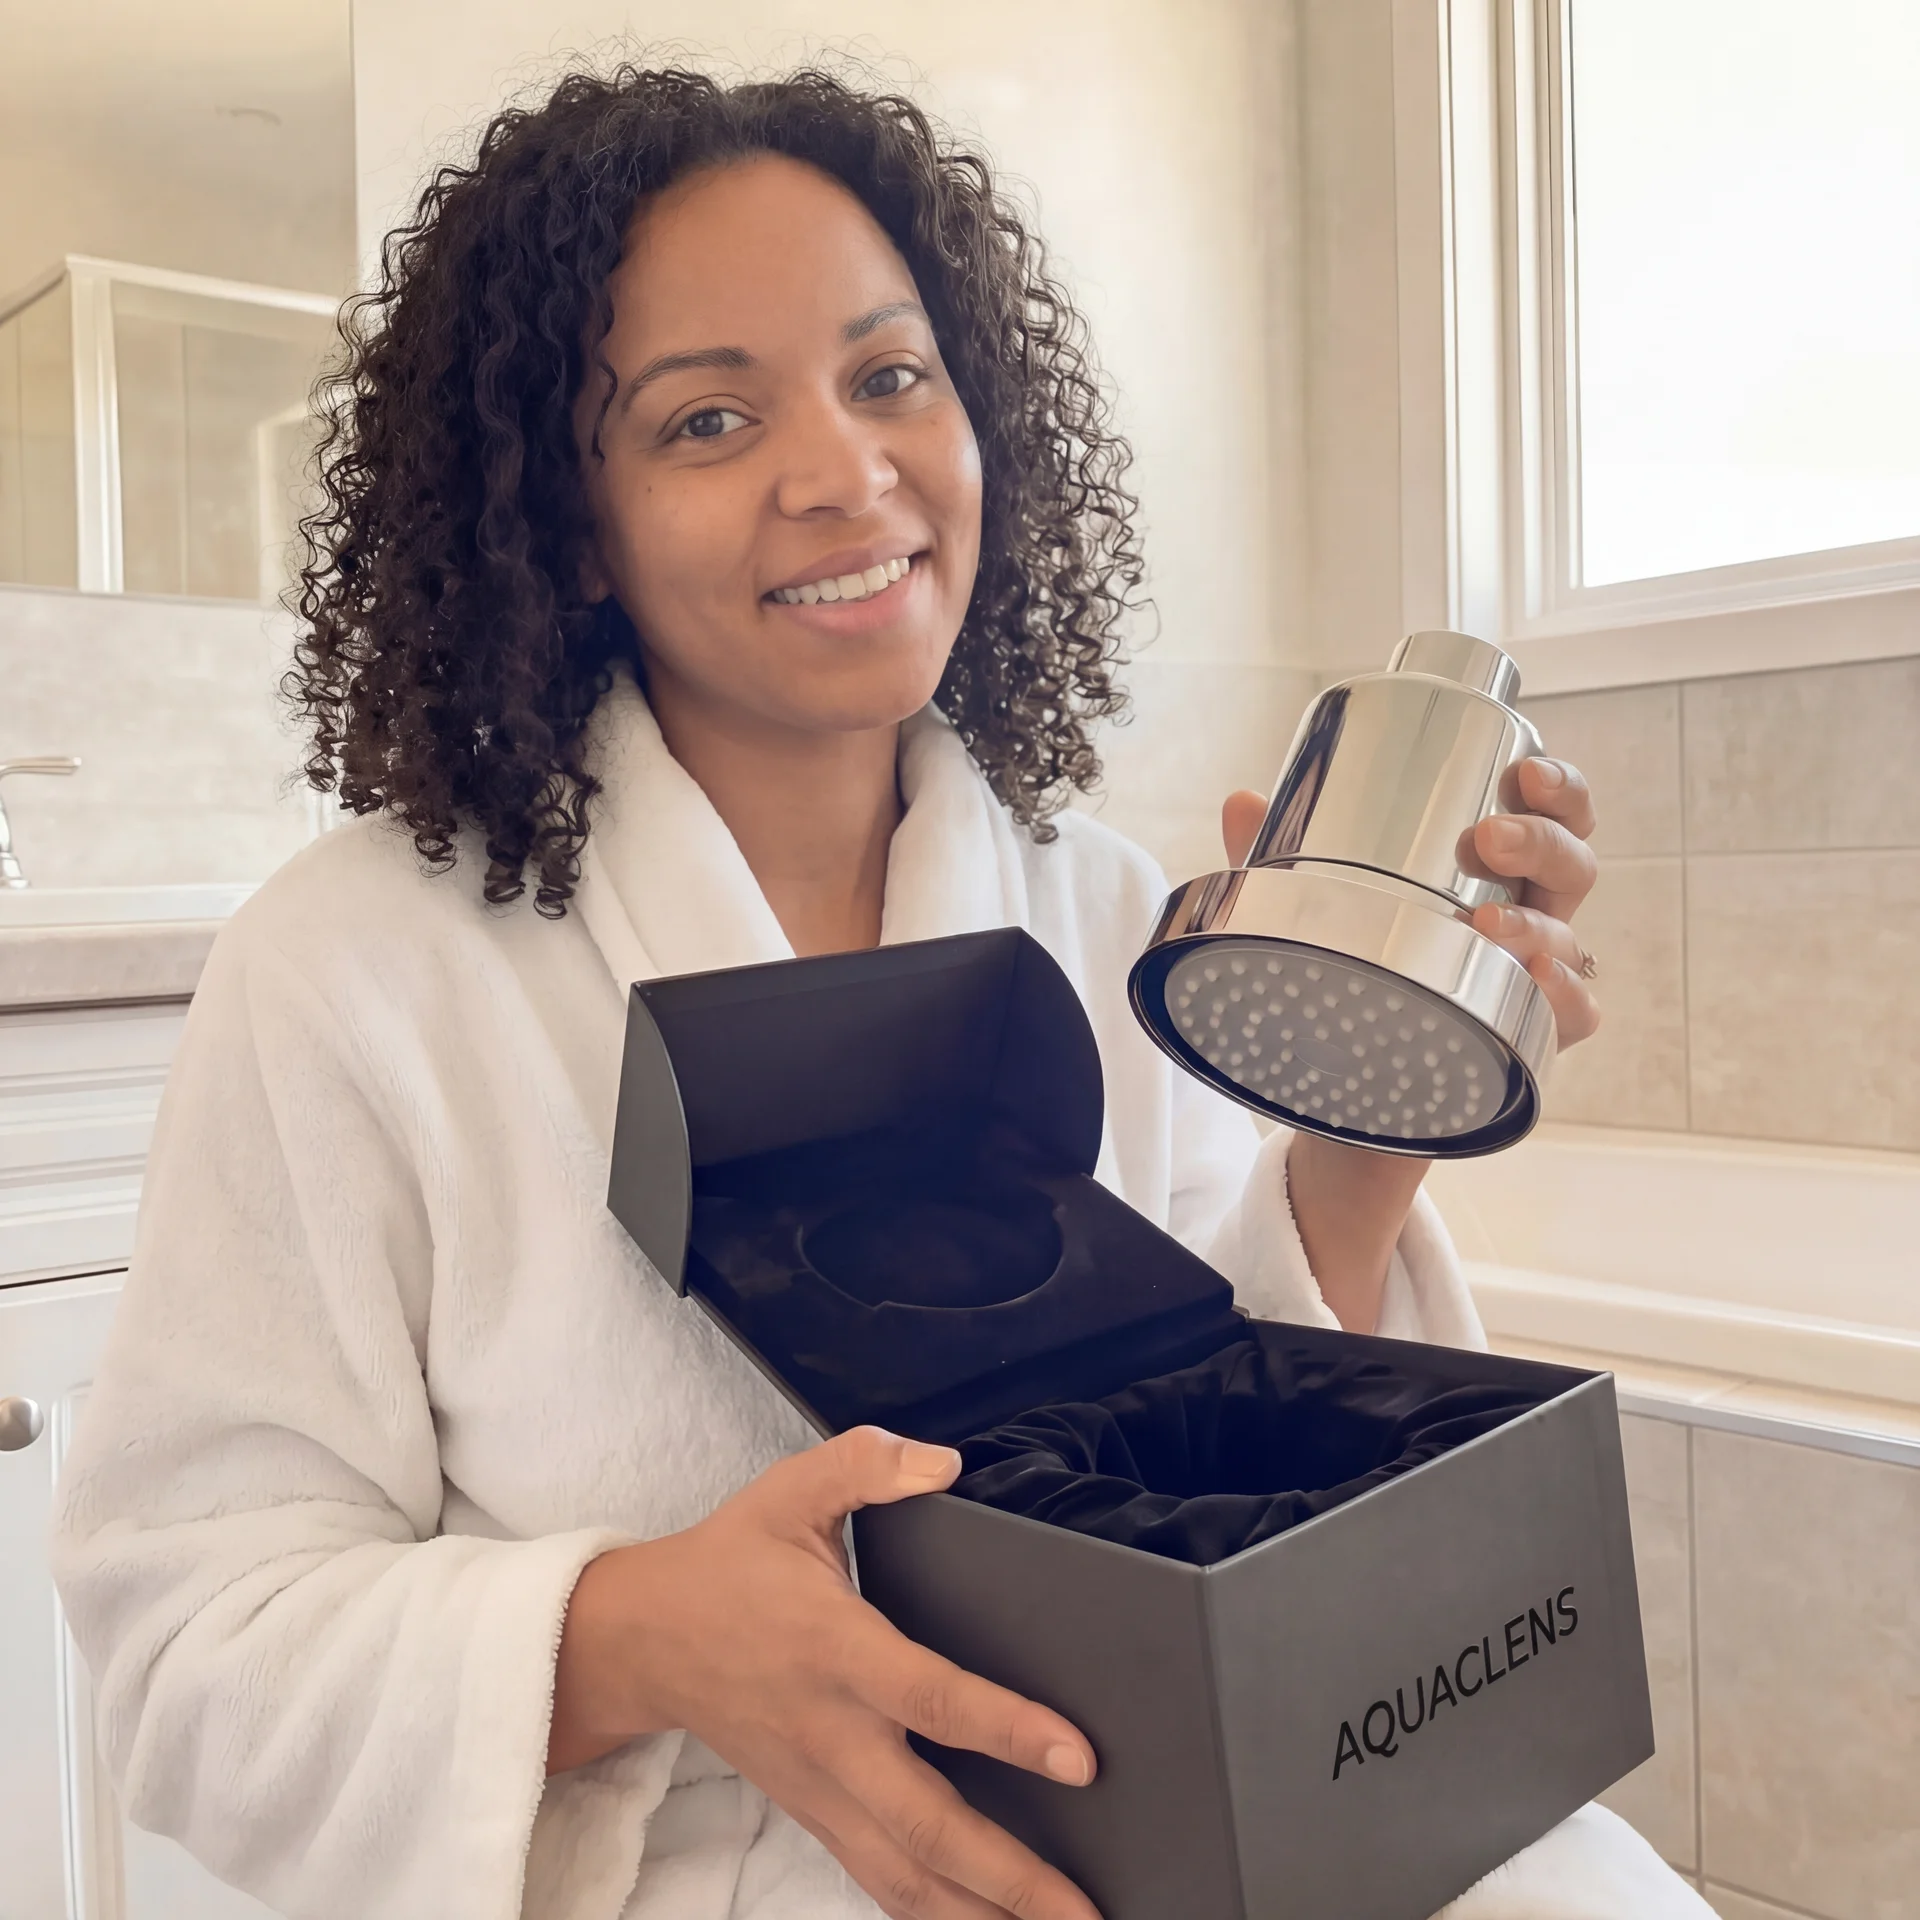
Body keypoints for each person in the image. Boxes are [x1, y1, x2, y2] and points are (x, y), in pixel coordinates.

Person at [52, 66, 1709, 1920]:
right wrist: (638, 1635)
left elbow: (1200, 1409)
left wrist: (1365, 1096)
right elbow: (193, 1653)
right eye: (704, 419)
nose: (844, 470)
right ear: (568, 522)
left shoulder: (1090, 899)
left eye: (890, 375)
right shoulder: (359, 967)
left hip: (1178, 1798)